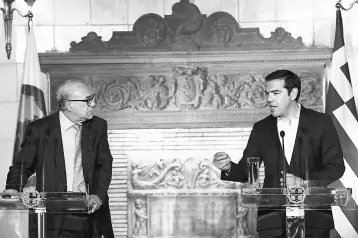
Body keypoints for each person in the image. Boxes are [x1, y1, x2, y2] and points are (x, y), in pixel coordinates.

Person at [213, 70, 345, 238]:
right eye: (267, 93)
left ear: (293, 93)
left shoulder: (321, 122)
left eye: (276, 93)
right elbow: (248, 171)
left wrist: (305, 182)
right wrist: (228, 167)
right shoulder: (261, 128)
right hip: (272, 221)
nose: (269, 99)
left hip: (314, 218)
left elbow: (335, 167)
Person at [2, 79, 114, 238]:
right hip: (53, 216)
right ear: (69, 105)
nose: (94, 104)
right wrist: (13, 188)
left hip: (89, 213)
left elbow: (104, 164)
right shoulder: (40, 129)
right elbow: (22, 166)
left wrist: (98, 194)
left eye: (93, 98)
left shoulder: (98, 126)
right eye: (88, 100)